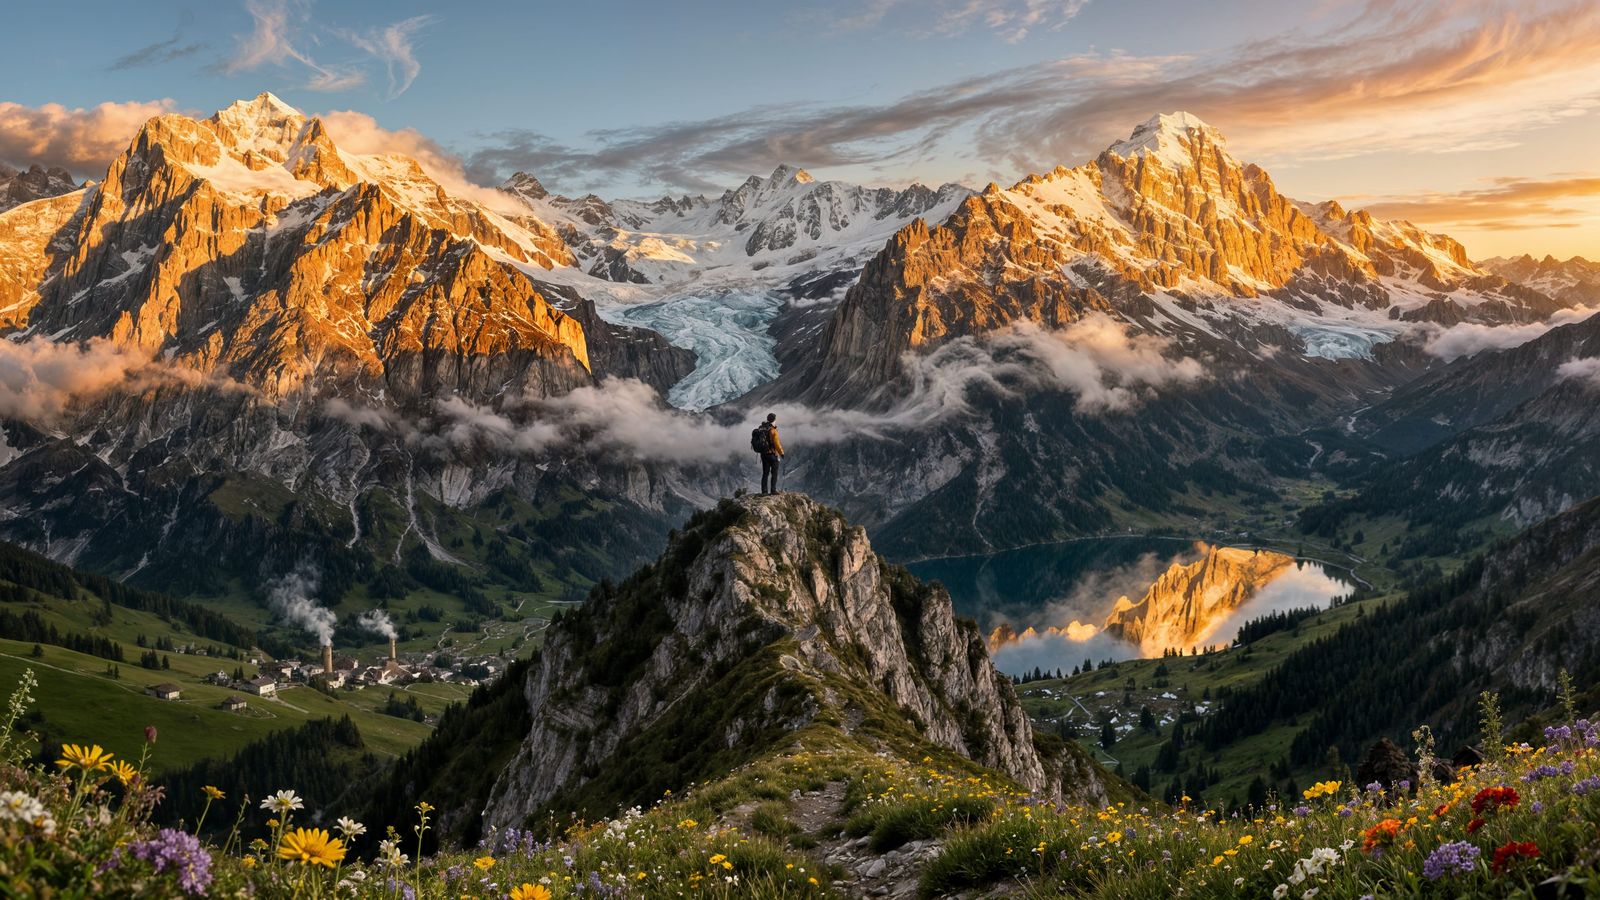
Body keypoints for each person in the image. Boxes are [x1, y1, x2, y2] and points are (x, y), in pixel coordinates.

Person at [752, 413, 785, 494]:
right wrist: (781, 453)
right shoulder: (773, 430)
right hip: (772, 454)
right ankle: (773, 490)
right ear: (774, 420)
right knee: (774, 473)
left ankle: (764, 491)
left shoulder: (762, 428)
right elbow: (777, 443)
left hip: (763, 454)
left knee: (765, 473)